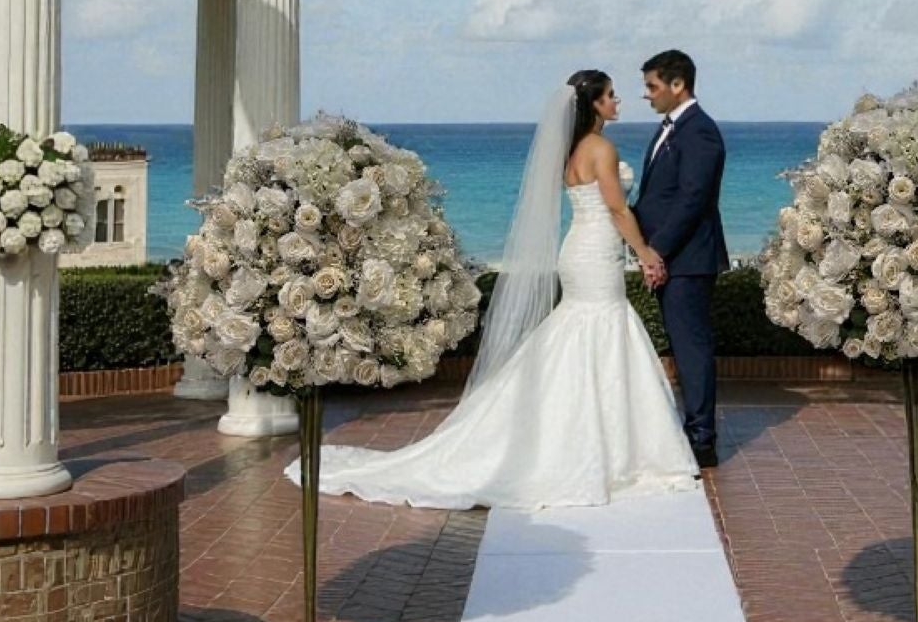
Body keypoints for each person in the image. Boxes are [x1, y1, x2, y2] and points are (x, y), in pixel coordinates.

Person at [294, 70, 697, 509]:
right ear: (595, 104)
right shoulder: (600, 147)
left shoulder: (570, 149)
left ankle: (583, 438)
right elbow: (617, 209)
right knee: (600, 327)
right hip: (597, 250)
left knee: (582, 329)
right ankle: (609, 449)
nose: (619, 102)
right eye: (612, 96)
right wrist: (645, 253)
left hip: (578, 246)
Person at [633, 50, 729, 469]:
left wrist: (658, 250)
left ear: (678, 85)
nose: (647, 95)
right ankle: (693, 428)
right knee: (683, 346)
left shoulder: (700, 132)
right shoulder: (669, 128)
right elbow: (659, 196)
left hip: (688, 261)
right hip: (672, 257)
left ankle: (702, 439)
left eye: (652, 86)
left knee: (692, 350)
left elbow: (693, 199)